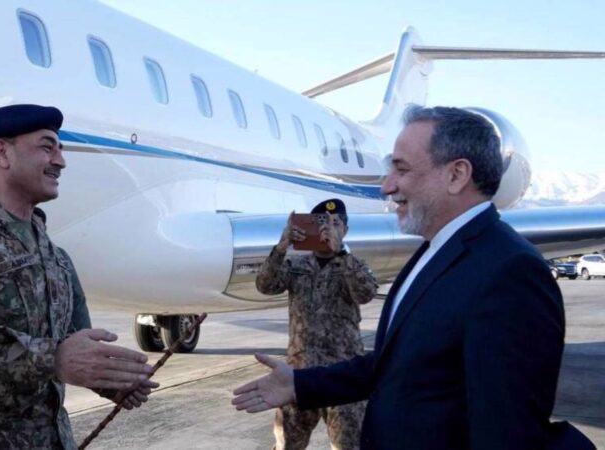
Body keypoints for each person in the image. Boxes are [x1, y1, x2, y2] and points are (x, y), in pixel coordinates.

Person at [233, 106, 567, 449]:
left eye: (401, 169)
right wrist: (300, 384)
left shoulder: (510, 272)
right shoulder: (434, 252)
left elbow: (507, 432)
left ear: (456, 175)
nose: (387, 187)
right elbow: (399, 363)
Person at [0, 104, 156, 449]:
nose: (61, 161)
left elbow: (70, 339)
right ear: (2, 153)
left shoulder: (52, 252)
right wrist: (53, 358)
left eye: (60, 149)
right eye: (47, 146)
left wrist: (110, 379)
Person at [257, 199, 377, 450]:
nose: (327, 230)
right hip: (299, 375)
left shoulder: (354, 265)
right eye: (321, 224)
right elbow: (265, 285)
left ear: (345, 229)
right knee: (286, 445)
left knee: (350, 445)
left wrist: (342, 252)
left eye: (335, 224)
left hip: (343, 377)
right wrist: (281, 247)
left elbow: (365, 293)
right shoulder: (297, 266)